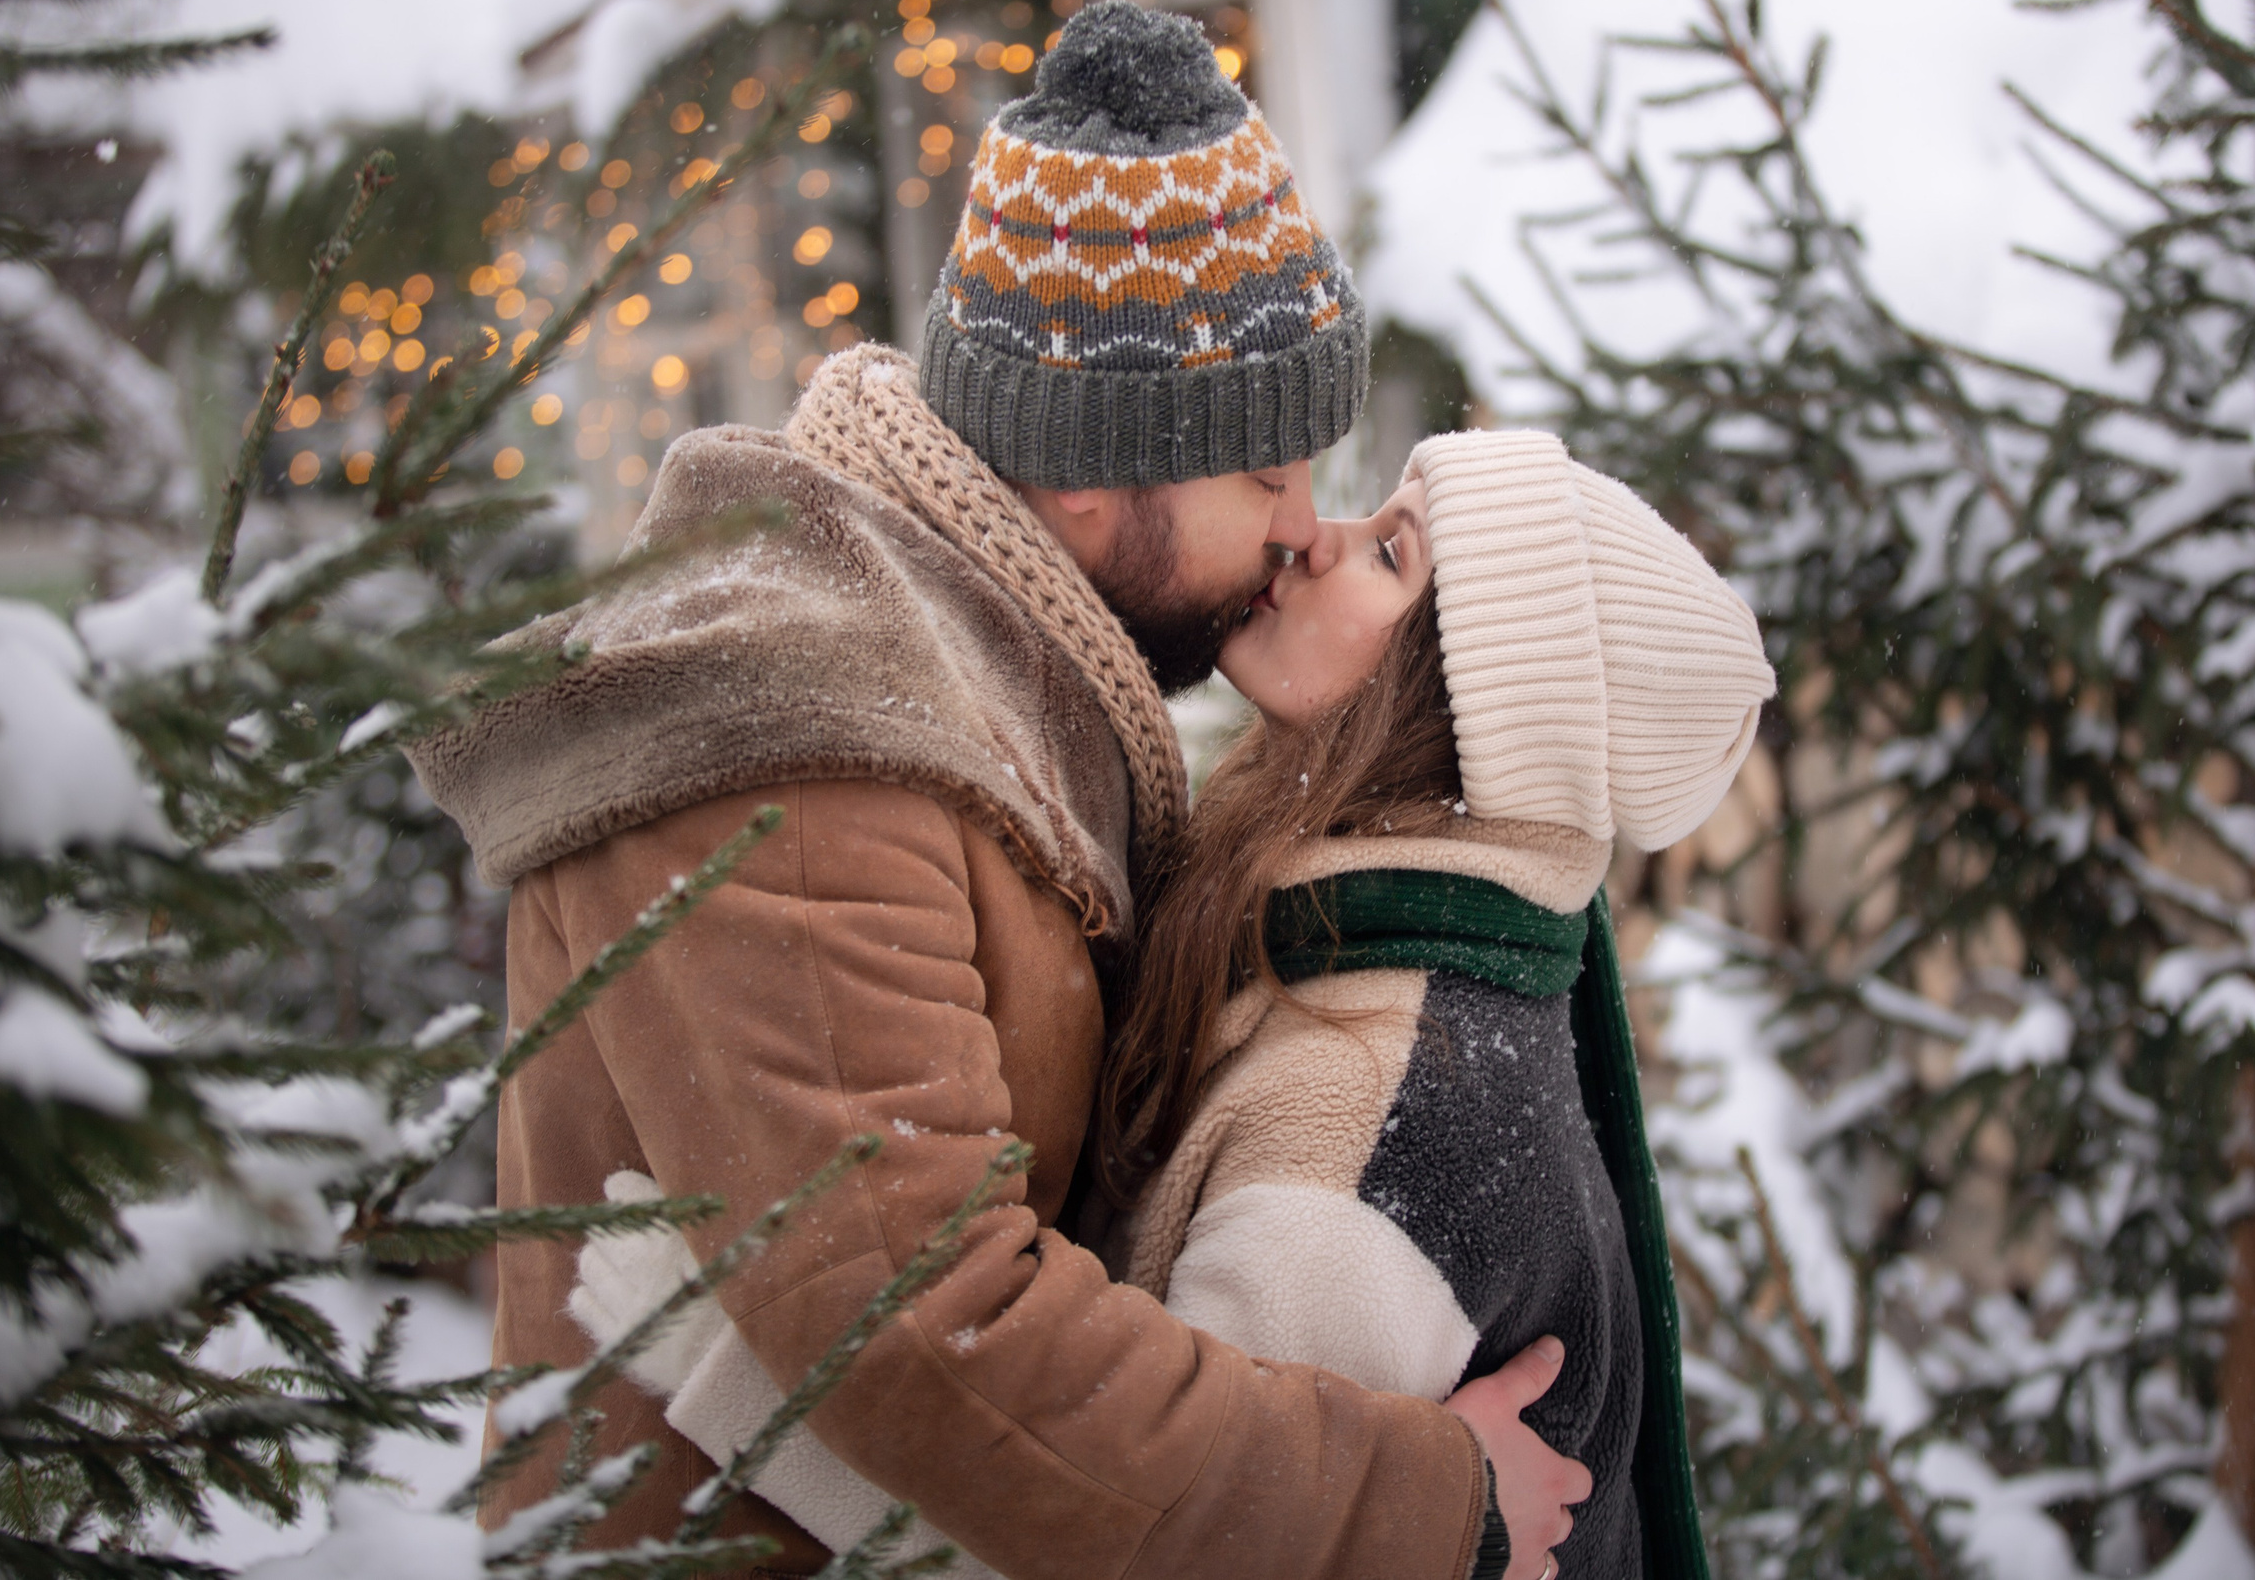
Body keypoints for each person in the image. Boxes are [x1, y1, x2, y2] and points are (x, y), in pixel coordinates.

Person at [408, 0, 1585, 1580]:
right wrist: (1411, 1497)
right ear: (1097, 466)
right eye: (1265, 472)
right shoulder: (807, 750)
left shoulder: (976, 696)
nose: (1304, 528)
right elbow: (927, 1340)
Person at [580, 429, 1778, 1577]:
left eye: (1390, 554)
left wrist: (717, 1354)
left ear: (1468, 708)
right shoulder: (1348, 965)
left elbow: (1128, 1537)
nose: (1315, 534)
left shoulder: (1367, 1120)